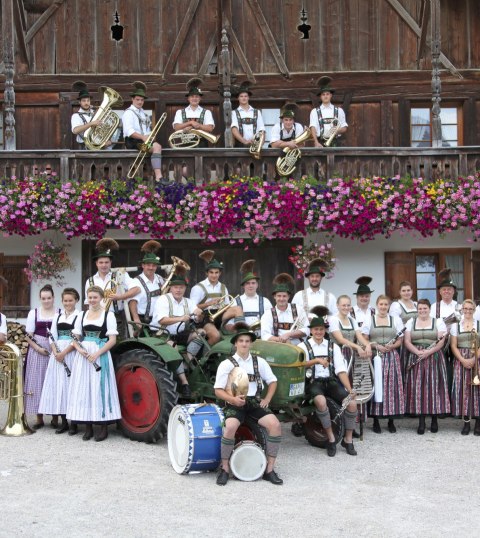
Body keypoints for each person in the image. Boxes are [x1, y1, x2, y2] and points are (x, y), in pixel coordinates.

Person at [214, 323, 283, 486]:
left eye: (247, 341)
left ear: (251, 343)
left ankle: (269, 469)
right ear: (236, 343)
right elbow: (217, 390)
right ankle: (224, 468)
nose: (244, 344)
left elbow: (273, 381)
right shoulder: (227, 364)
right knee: (230, 427)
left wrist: (267, 399)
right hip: (234, 402)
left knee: (275, 426)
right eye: (241, 341)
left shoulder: (259, 362)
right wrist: (232, 400)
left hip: (254, 401)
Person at [298, 314, 358, 457]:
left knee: (352, 403)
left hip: (331, 381)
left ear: (325, 331)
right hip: (313, 382)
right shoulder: (303, 346)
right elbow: (298, 364)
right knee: (320, 401)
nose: (318, 332)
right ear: (311, 331)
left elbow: (341, 370)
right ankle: (331, 438)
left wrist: (350, 390)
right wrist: (316, 361)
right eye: (316, 329)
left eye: (321, 329)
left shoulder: (333, 347)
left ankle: (348, 440)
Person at [68, 286, 121, 442]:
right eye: (90, 297)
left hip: (100, 354)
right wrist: (79, 349)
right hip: (83, 356)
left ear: (101, 298)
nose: (92, 300)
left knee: (100, 387)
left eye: (95, 297)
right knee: (85, 388)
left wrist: (97, 354)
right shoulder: (82, 315)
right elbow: (75, 337)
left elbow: (112, 340)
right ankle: (88, 426)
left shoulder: (108, 315)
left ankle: (103, 426)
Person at [152, 269, 203, 397]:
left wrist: (199, 314)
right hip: (162, 333)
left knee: (201, 333)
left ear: (185, 288)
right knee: (172, 348)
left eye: (181, 287)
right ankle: (185, 383)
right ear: (170, 288)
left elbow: (197, 316)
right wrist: (181, 318)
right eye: (175, 287)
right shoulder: (163, 300)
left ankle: (185, 363)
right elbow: (162, 320)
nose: (178, 290)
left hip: (180, 334)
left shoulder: (188, 301)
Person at [404, 298, 450, 434]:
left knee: (434, 387)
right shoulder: (411, 322)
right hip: (416, 356)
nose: (422, 311)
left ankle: (434, 419)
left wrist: (428, 352)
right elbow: (407, 341)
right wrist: (418, 352)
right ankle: (421, 421)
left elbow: (441, 342)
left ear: (429, 309)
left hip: (433, 356)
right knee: (418, 388)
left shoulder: (438, 321)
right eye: (420, 308)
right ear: (417, 309)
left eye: (425, 308)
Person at [38, 288, 80, 434]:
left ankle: (74, 423)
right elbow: (52, 336)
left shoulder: (79, 315)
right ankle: (64, 422)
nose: (68, 303)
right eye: (65, 301)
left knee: (70, 387)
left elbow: (77, 338)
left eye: (70, 300)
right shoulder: (58, 316)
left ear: (76, 301)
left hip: (71, 352)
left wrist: (64, 353)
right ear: (62, 301)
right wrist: (56, 352)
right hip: (57, 354)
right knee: (59, 386)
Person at [361, 295, 405, 434]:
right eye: (381, 304)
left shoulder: (395, 319)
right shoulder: (370, 319)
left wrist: (391, 347)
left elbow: (400, 340)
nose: (383, 307)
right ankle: (376, 420)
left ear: (389, 306)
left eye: (386, 304)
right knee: (377, 386)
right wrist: (376, 346)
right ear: (377, 305)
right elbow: (365, 338)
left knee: (391, 387)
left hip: (392, 356)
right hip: (376, 357)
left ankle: (391, 420)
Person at [85, 238, 136, 338]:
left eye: (106, 262)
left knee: (117, 346)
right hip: (96, 317)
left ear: (110, 263)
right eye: (101, 262)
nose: (104, 265)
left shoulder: (120, 276)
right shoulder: (90, 281)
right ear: (96, 264)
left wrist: (120, 297)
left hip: (116, 317)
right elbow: (87, 303)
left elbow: (136, 289)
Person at [24, 284, 60, 429]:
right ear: (40, 299)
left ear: (53, 298)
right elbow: (28, 336)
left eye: (49, 298)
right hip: (37, 349)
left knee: (54, 382)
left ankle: (55, 417)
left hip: (55, 349)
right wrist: (38, 348)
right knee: (37, 382)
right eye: (43, 298)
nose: (46, 301)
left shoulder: (59, 312)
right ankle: (39, 418)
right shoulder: (34, 313)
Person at [190, 250, 242, 342]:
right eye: (211, 272)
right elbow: (192, 308)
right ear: (207, 273)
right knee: (215, 336)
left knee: (237, 308)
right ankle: (206, 355)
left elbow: (227, 305)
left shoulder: (223, 287)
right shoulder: (198, 287)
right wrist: (209, 303)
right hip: (204, 317)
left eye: (216, 272)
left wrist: (229, 322)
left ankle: (242, 332)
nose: (214, 275)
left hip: (219, 314)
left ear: (220, 273)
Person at [122, 81, 164, 182]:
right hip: (132, 142)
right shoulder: (128, 113)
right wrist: (142, 137)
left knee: (157, 146)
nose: (140, 102)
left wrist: (150, 136)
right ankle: (159, 177)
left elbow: (146, 131)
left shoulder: (143, 113)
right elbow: (129, 131)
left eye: (142, 100)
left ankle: (158, 177)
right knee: (157, 147)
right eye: (137, 99)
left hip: (142, 141)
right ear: (132, 99)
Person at [450, 299, 480, 435]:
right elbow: (453, 345)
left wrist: (474, 358)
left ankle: (478, 422)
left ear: (474, 310)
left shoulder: (479, 324)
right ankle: (466, 422)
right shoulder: (456, 326)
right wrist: (462, 359)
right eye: (465, 309)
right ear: (462, 310)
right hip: (461, 359)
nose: (467, 311)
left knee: (478, 391)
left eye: (470, 309)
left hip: (477, 359)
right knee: (464, 391)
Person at [129, 240, 165, 335]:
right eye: (148, 265)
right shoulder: (136, 281)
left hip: (158, 319)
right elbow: (132, 302)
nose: (151, 268)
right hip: (143, 320)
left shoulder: (160, 279)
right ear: (143, 265)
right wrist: (136, 319)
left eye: (153, 265)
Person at [261, 273, 308, 345]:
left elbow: (306, 330)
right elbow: (265, 335)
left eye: (284, 296)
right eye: (279, 296)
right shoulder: (268, 314)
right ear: (274, 296)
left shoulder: (298, 310)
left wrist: (288, 335)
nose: (281, 299)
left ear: (288, 296)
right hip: (278, 348)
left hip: (299, 347)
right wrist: (282, 341)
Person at [329, 295, 372, 367]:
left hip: (350, 354)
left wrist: (368, 345)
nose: (346, 308)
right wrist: (357, 347)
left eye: (348, 305)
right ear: (337, 305)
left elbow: (359, 336)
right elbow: (340, 340)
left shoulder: (352, 320)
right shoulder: (333, 319)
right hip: (337, 354)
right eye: (343, 305)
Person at [235, 259, 273, 336]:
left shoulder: (265, 301)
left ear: (257, 285)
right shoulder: (235, 301)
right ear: (243, 286)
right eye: (248, 283)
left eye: (253, 283)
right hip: (242, 338)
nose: (251, 285)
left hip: (262, 338)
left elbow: (271, 321)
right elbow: (230, 324)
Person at [172, 78, 215, 143]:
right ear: (188, 98)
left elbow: (210, 128)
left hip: (202, 145)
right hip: (184, 146)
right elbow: (176, 127)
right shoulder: (180, 112)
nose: (194, 98)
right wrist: (191, 123)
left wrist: (197, 126)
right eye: (192, 96)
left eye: (197, 96)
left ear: (200, 98)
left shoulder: (207, 112)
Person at [389, 281, 417, 379]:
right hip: (404, 340)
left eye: (408, 290)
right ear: (400, 292)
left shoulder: (416, 304)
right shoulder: (396, 305)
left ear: (412, 291)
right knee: (404, 364)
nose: (406, 293)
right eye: (404, 291)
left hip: (416, 340)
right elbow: (395, 324)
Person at [310, 77, 347, 147]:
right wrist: (315, 142)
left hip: (335, 143)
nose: (325, 96)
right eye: (323, 94)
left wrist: (337, 130)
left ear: (331, 95)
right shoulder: (314, 111)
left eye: (327, 94)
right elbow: (313, 127)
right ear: (320, 97)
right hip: (320, 143)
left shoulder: (339, 110)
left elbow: (344, 127)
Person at [230, 82, 265, 147]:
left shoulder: (257, 112)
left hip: (255, 145)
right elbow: (234, 129)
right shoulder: (234, 113)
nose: (244, 98)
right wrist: (244, 141)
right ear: (238, 98)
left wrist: (260, 145)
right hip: (240, 146)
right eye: (241, 96)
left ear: (248, 97)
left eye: (246, 96)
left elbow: (262, 130)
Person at [71, 81, 102, 149]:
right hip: (84, 147)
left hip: (98, 146)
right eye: (84, 101)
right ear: (80, 102)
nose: (86, 103)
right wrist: (91, 124)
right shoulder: (76, 116)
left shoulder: (94, 113)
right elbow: (75, 130)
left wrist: (105, 141)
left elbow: (101, 128)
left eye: (88, 100)